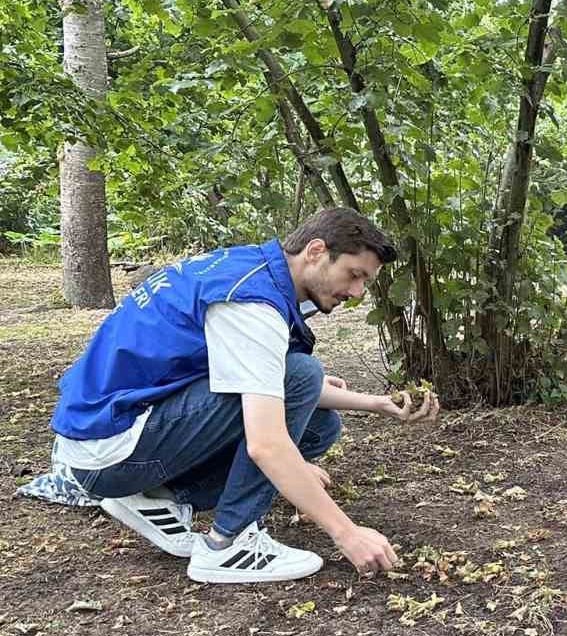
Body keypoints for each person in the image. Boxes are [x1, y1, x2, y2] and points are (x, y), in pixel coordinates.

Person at [49, 207, 441, 585]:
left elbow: (263, 381)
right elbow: (268, 440)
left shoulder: (250, 269)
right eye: (354, 275)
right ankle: (228, 544)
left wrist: (376, 404)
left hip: (110, 435)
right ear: (316, 251)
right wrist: (347, 532)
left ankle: (158, 496)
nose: (356, 292)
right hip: (110, 449)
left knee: (320, 427)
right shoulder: (251, 304)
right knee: (302, 375)